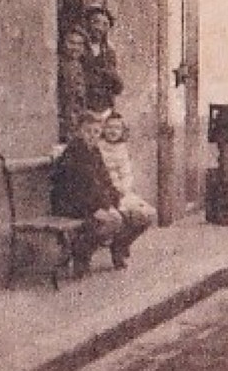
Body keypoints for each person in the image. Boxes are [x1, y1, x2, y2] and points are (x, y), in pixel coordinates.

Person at [52, 111, 147, 270]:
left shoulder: (94, 151)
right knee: (114, 221)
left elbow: (105, 181)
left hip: (90, 202)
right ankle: (81, 251)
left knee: (138, 216)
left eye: (96, 132)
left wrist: (113, 202)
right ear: (79, 132)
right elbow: (82, 188)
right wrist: (101, 208)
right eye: (87, 131)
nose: (92, 135)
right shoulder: (74, 152)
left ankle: (117, 249)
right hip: (72, 203)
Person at [97, 113, 158, 248]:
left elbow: (126, 174)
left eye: (117, 128)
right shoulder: (98, 146)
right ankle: (112, 243)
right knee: (118, 217)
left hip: (120, 191)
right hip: (101, 192)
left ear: (122, 131)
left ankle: (121, 244)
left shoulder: (122, 149)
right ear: (103, 129)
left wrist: (123, 190)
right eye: (109, 127)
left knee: (146, 215)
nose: (113, 131)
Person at [81, 2, 124, 117]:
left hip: (104, 107)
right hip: (83, 105)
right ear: (87, 23)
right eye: (95, 22)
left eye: (105, 24)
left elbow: (116, 85)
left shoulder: (109, 52)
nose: (99, 28)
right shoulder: (79, 47)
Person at [57, 24, 91, 142]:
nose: (75, 47)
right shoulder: (58, 65)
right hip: (62, 123)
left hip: (76, 122)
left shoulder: (79, 66)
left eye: (80, 44)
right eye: (71, 43)